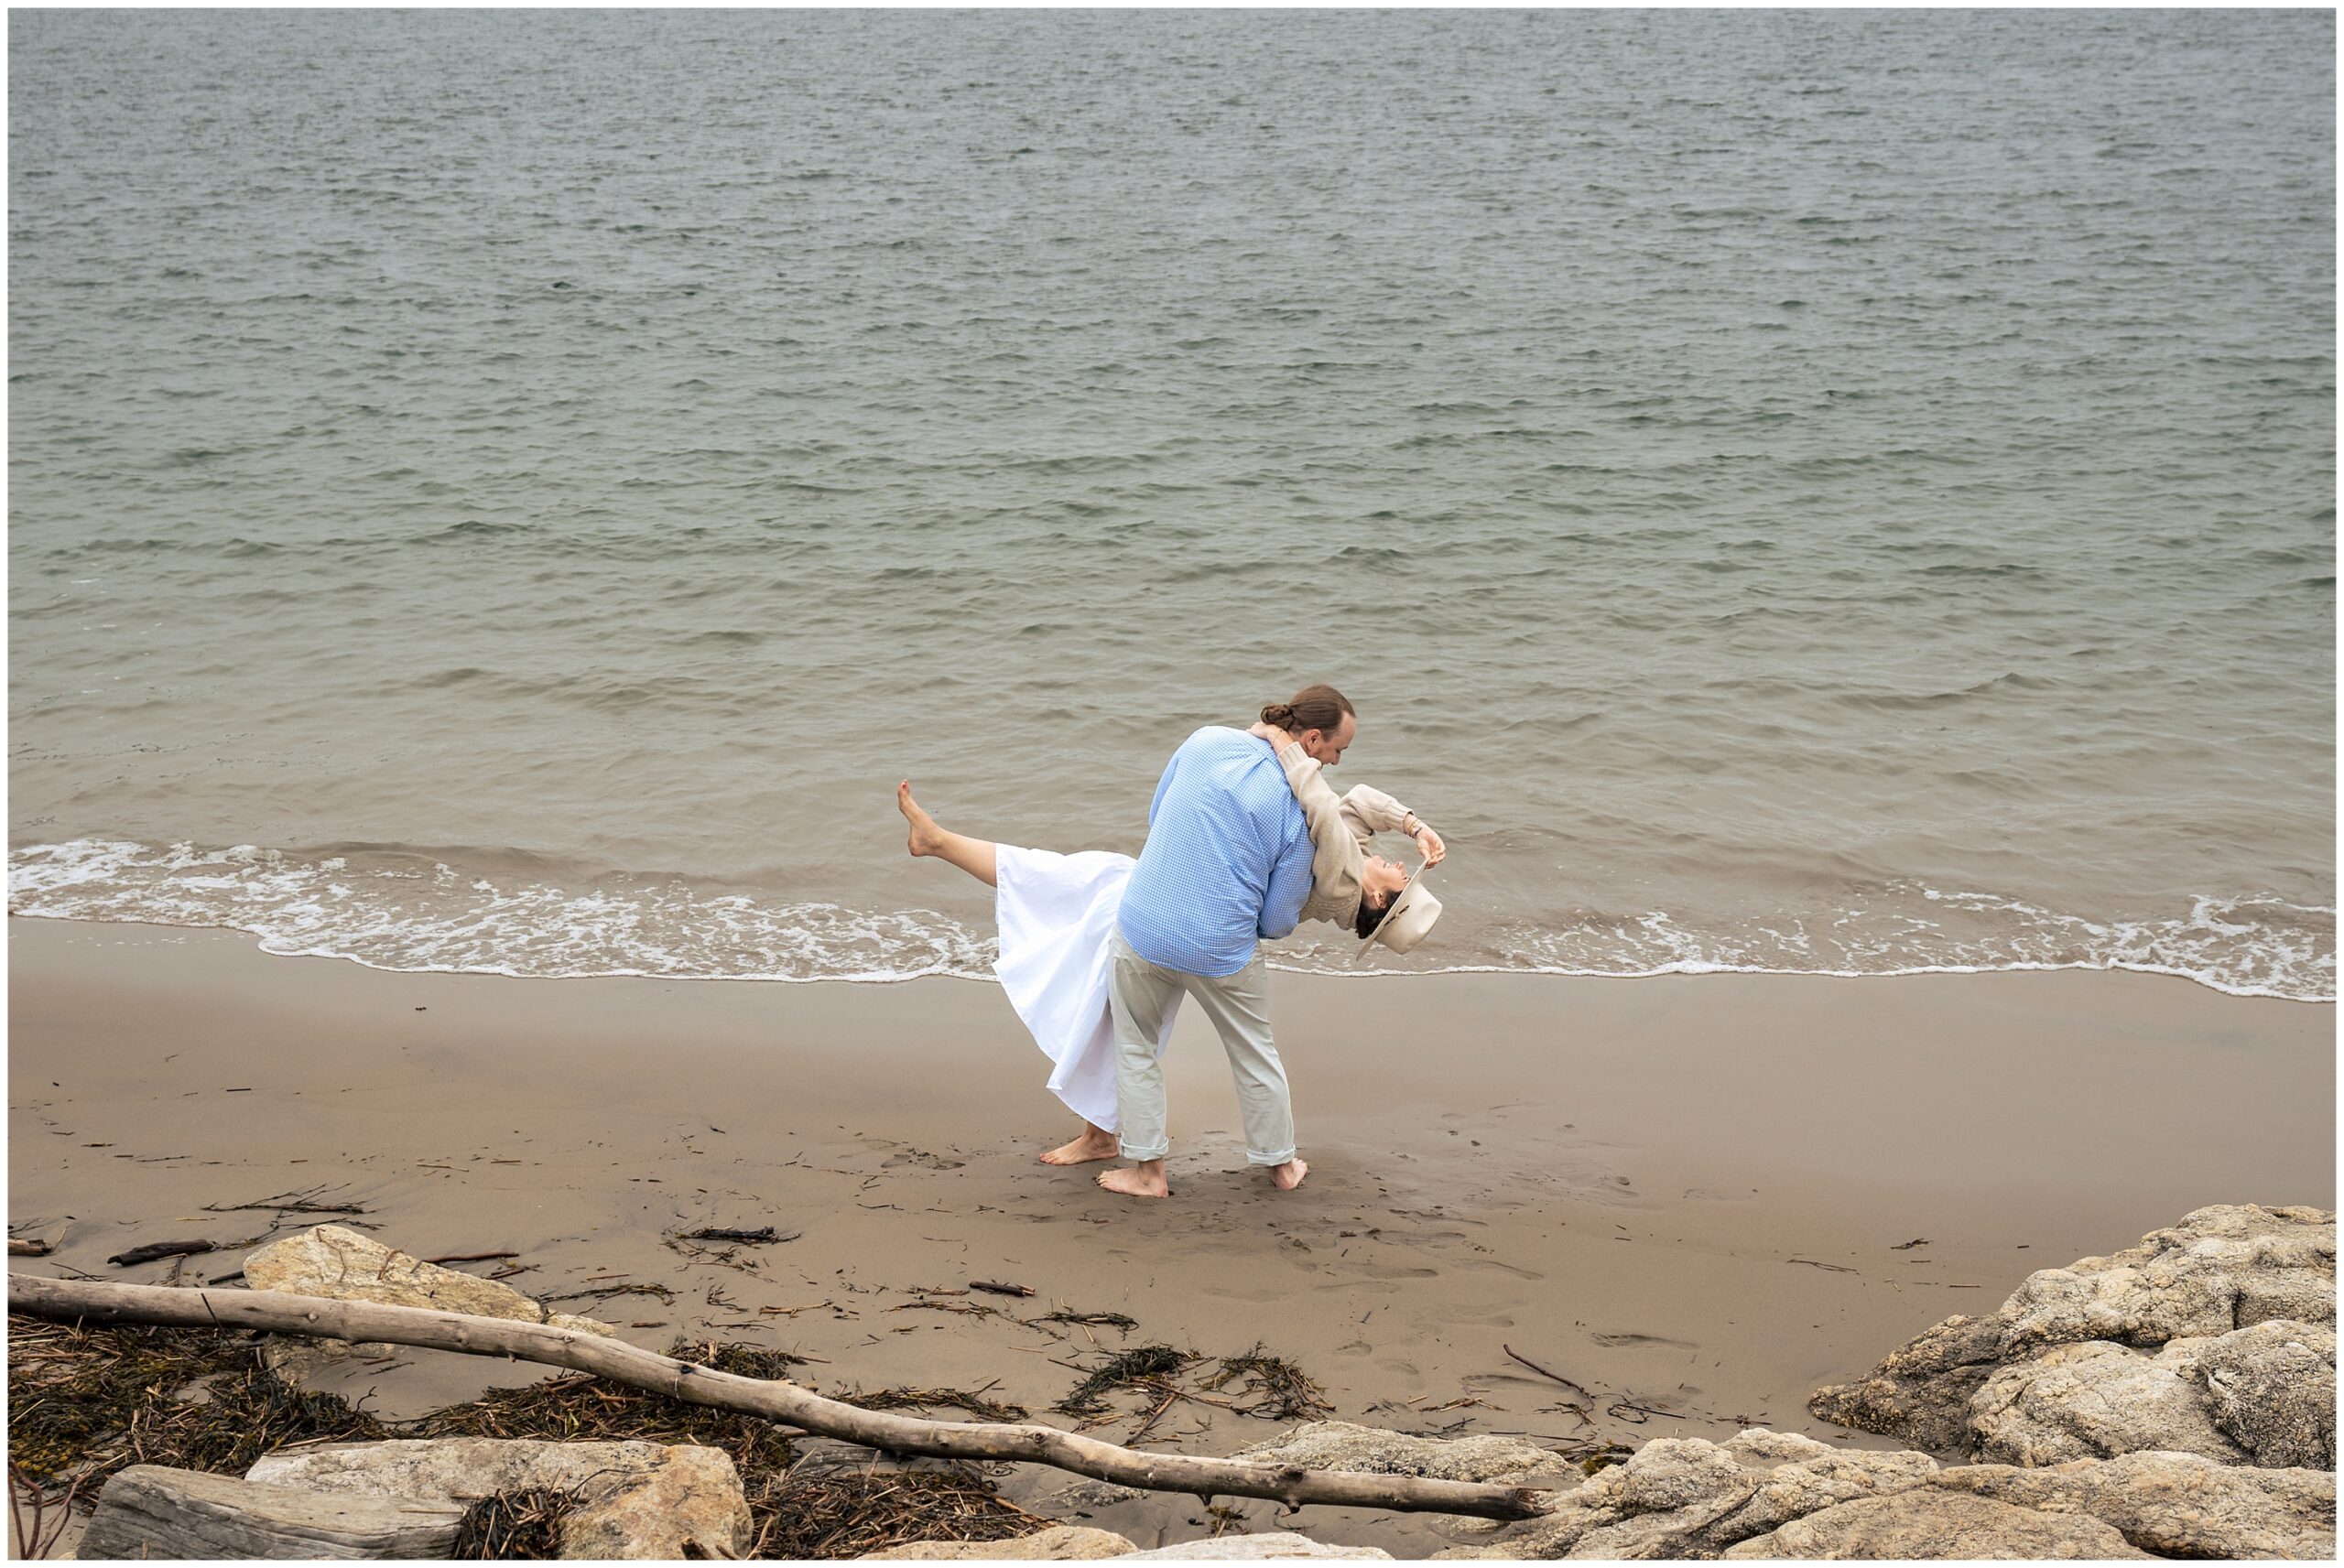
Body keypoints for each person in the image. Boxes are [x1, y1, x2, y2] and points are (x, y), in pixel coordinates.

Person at [895, 685, 1444, 1193]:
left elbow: (1161, 813)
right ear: (1312, 739)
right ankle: (1281, 1163)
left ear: (1379, 902)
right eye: (1336, 750)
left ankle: (1147, 1172)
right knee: (1255, 1055)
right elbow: (1276, 918)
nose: (1337, 762)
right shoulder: (1304, 822)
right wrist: (1414, 825)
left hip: (1143, 923)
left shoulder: (1206, 741)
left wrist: (1189, 865)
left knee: (1134, 1043)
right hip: (1218, 945)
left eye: (1401, 878)